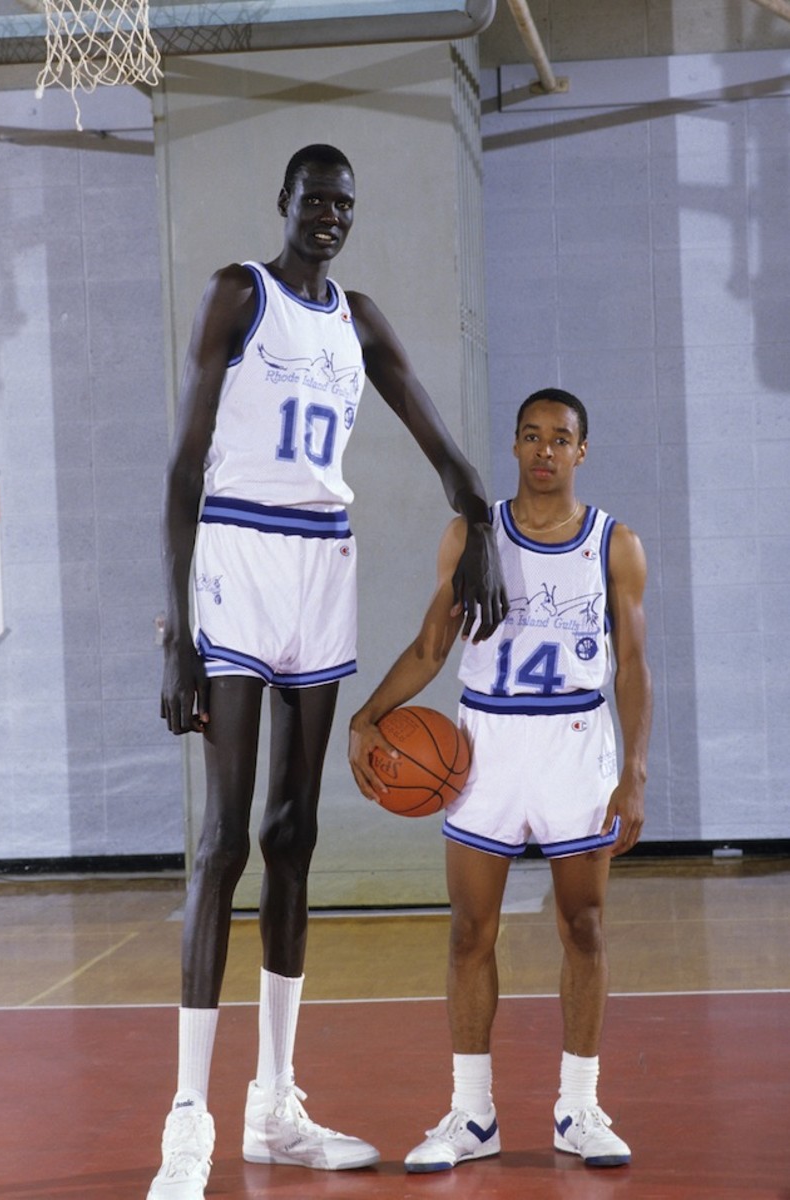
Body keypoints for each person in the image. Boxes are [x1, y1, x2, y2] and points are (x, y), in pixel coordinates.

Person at [147, 144, 508, 1200]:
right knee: (221, 841)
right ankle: (187, 1120)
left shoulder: (358, 318)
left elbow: (439, 443)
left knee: (292, 834)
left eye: (345, 205)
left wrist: (477, 513)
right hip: (239, 557)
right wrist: (178, 632)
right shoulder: (237, 294)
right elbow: (181, 464)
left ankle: (276, 1106)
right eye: (315, 201)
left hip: (321, 564)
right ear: (284, 201)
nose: (330, 218)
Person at [349, 387, 652, 1173]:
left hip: (575, 746)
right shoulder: (471, 537)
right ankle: (471, 1114)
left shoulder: (614, 544)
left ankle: (578, 1108)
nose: (544, 451)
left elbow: (635, 668)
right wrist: (368, 715)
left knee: (582, 927)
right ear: (514, 447)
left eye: (561, 438)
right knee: (467, 932)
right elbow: (429, 646)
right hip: (485, 747)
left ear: (582, 451)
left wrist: (636, 774)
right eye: (530, 436)